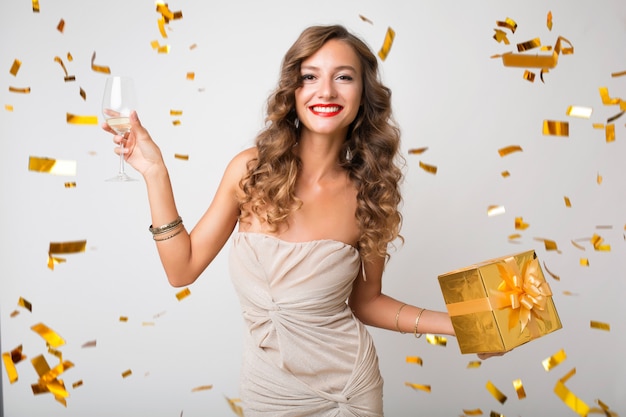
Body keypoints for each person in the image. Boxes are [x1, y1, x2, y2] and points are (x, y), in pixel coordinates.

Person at [103, 24, 479, 416]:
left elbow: (367, 303)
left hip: (348, 393)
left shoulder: (371, 193)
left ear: (364, 94)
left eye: (344, 77)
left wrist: (460, 324)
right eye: (310, 77)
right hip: (269, 394)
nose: (327, 91)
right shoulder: (250, 171)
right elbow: (181, 270)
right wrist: (155, 172)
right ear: (293, 91)